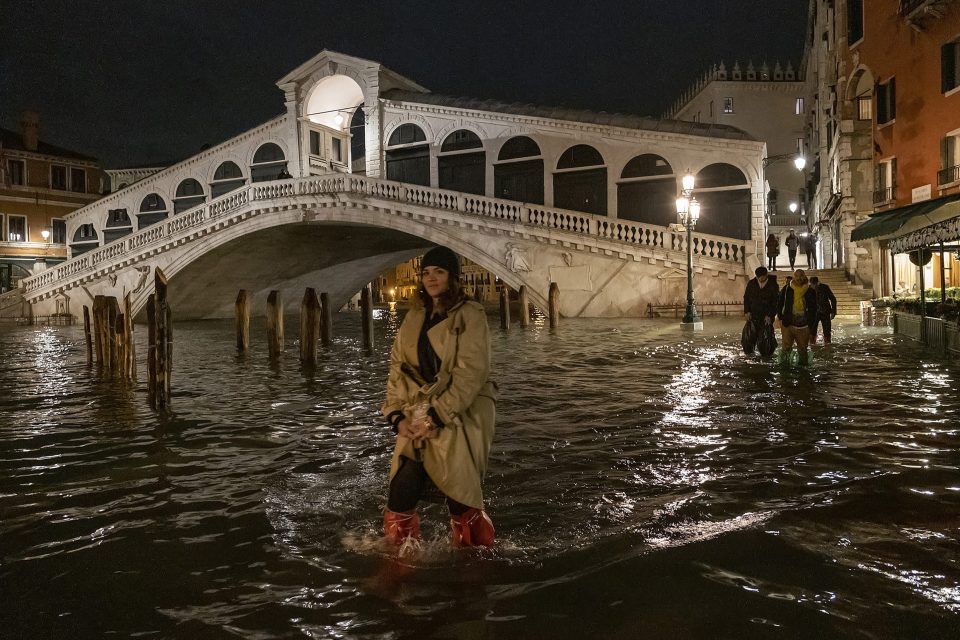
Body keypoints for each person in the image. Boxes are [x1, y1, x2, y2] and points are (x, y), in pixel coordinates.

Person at [381, 245, 498, 547]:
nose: (431, 279)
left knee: (459, 492)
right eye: (426, 273)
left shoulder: (471, 315)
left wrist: (437, 416)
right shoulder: (414, 317)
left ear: (453, 278)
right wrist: (395, 414)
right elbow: (398, 368)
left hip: (457, 412)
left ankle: (475, 557)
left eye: (439, 272)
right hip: (418, 411)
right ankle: (400, 558)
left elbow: (471, 373)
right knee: (402, 487)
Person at [777, 269, 818, 365]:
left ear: (804, 276)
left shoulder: (810, 291)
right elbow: (780, 303)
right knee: (786, 348)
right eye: (797, 276)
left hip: (804, 326)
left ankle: (803, 371)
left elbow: (814, 309)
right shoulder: (787, 289)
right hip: (788, 324)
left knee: (802, 350)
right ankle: (784, 368)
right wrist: (780, 317)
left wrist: (811, 326)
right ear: (794, 277)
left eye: (801, 276)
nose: (799, 278)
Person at [743, 267, 780, 354]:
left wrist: (770, 316)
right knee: (749, 339)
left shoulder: (773, 285)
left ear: (766, 275)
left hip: (766, 317)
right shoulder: (752, 283)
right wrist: (747, 311)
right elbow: (746, 298)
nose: (760, 279)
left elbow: (775, 302)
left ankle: (766, 354)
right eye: (758, 277)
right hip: (753, 315)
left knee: (766, 340)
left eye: (762, 277)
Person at [809, 276, 837, 344]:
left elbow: (833, 299)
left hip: (824, 312)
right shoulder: (809, 289)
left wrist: (833, 312)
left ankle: (827, 344)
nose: (813, 286)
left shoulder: (824, 287)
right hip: (814, 313)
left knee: (827, 331)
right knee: (812, 331)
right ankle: (813, 344)